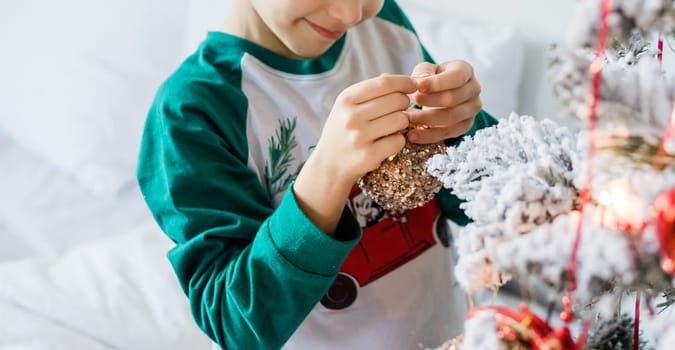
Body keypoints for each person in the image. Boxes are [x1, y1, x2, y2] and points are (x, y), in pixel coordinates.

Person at [136, 0, 497, 348]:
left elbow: (479, 203)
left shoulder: (384, 27)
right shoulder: (190, 113)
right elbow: (238, 325)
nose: (351, 13)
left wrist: (458, 125)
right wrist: (325, 174)